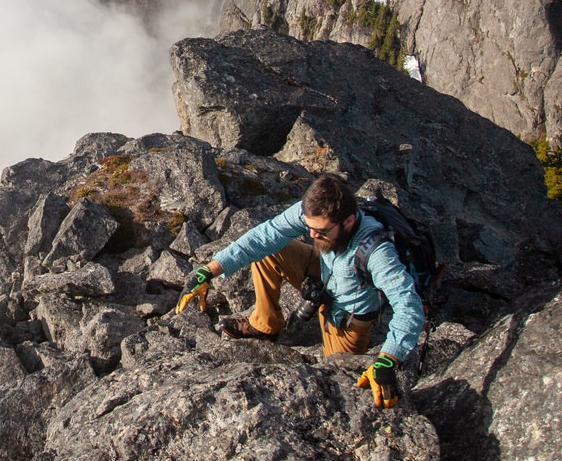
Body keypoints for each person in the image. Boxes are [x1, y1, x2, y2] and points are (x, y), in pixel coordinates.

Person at [182, 173, 425, 408]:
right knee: (271, 250)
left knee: (336, 378)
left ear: (348, 221)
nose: (311, 234)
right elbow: (265, 236)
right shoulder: (317, 215)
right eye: (309, 227)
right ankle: (264, 324)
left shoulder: (377, 251)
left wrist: (388, 359)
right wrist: (209, 270)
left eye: (320, 231)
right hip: (324, 274)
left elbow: (408, 304)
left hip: (346, 318)